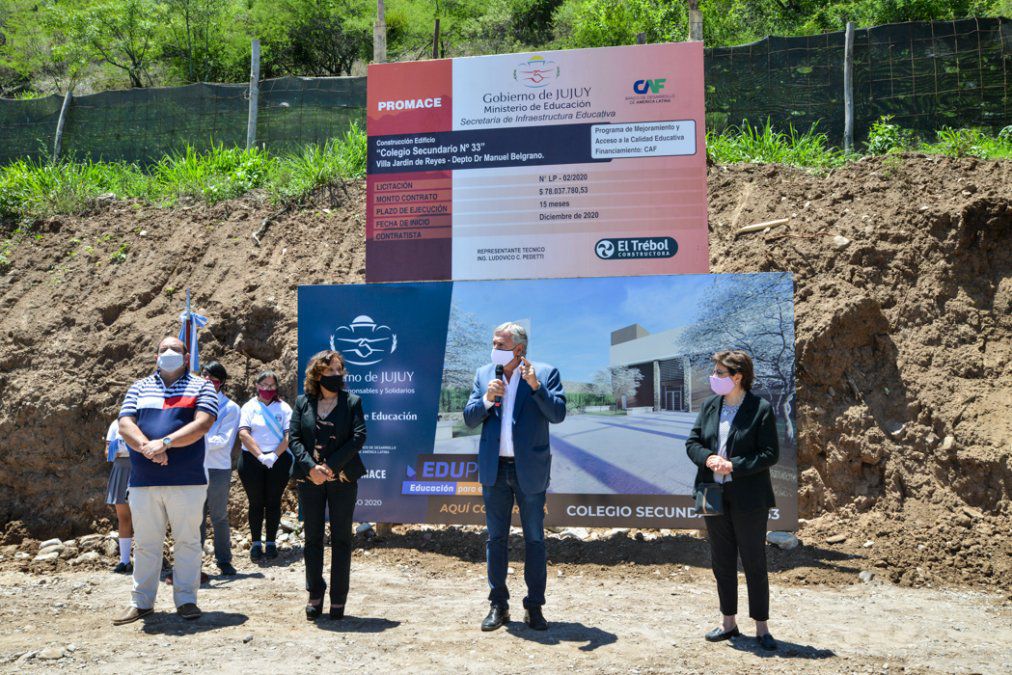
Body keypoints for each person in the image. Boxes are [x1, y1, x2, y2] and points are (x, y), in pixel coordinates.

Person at [463, 322, 566, 632]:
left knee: (535, 539)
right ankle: (499, 605)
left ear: (519, 349)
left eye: (500, 344)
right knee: (495, 539)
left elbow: (558, 414)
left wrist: (536, 387)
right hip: (495, 469)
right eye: (493, 343)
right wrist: (486, 399)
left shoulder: (545, 373)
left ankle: (534, 606)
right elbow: (469, 418)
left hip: (529, 470)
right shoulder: (484, 374)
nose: (494, 348)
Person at [113, 336, 217, 625]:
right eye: (163, 349)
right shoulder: (139, 386)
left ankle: (186, 600)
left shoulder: (202, 386)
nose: (168, 352)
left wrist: (166, 443)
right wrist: (149, 447)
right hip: (144, 480)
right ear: (155, 356)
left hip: (187, 480)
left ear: (187, 357)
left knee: (188, 542)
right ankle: (141, 602)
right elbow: (125, 424)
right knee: (146, 543)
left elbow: (203, 423)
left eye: (175, 349)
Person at [685, 350, 780, 651]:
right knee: (722, 561)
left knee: (754, 562)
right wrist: (708, 457)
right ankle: (728, 623)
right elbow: (692, 442)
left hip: (749, 498)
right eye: (715, 372)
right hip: (712, 494)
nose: (713, 377)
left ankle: (762, 627)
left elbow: (769, 453)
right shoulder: (710, 406)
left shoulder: (760, 409)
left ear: (738, 377)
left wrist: (733, 465)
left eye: (720, 373)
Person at [288, 350, 367, 620]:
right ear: (317, 373)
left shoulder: (352, 402)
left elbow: (358, 437)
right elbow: (294, 439)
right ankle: (315, 593)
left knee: (342, 539)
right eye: (330, 370)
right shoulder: (303, 402)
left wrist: (330, 466)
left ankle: (338, 598)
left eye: (339, 370)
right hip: (310, 479)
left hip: (342, 479)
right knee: (312, 538)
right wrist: (312, 468)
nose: (336, 374)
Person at [237, 370, 294, 562]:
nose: (268, 389)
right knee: (255, 502)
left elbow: (289, 435)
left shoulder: (284, 408)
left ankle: (270, 543)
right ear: (257, 385)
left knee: (273, 501)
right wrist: (261, 456)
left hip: (278, 460)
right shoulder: (249, 407)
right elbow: (243, 434)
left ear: (276, 387)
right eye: (264, 385)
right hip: (251, 460)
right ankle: (255, 543)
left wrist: (274, 455)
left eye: (271, 385)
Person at [200, 361, 241, 577]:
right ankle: (192, 561)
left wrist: (193, 439)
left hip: (218, 467)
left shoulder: (230, 408)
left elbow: (223, 440)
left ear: (221, 382)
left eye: (213, 380)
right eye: (204, 378)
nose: (208, 383)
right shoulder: (193, 404)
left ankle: (224, 560)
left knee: (219, 516)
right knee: (194, 517)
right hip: (195, 467)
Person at [103, 419, 133, 574]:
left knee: (145, 518)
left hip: (141, 469)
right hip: (121, 469)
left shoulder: (144, 419)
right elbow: (108, 453)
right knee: (124, 517)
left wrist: (122, 448)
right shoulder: (115, 424)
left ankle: (146, 559)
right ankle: (124, 561)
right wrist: (125, 448)